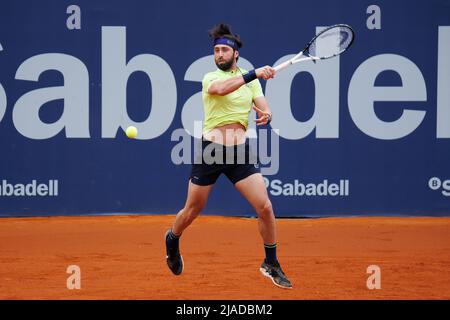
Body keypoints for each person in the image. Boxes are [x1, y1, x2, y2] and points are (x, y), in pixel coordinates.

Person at [165, 23, 292, 289]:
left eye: (224, 50)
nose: (219, 54)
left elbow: (263, 105)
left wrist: (267, 113)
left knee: (265, 207)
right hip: (211, 150)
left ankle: (270, 262)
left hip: (240, 152)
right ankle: (173, 238)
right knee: (192, 211)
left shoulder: (251, 82)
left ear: (235, 55)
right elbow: (221, 90)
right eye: (216, 50)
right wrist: (254, 73)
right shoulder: (211, 78)